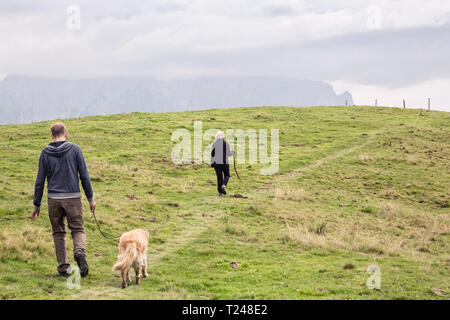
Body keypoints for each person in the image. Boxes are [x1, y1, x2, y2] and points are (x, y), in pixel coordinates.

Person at [31, 122, 96, 278]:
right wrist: (91, 199)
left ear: (52, 136)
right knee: (78, 229)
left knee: (58, 233)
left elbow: (40, 181)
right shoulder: (75, 149)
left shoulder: (45, 153)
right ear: (65, 133)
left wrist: (36, 204)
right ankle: (79, 252)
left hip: (53, 199)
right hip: (73, 197)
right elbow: (85, 176)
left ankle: (64, 267)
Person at [210, 131, 234, 196]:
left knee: (219, 177)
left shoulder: (214, 144)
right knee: (227, 175)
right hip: (224, 162)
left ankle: (220, 192)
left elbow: (212, 154)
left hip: (216, 163)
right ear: (223, 136)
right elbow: (228, 154)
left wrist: (212, 163)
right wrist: (232, 152)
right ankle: (224, 185)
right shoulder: (226, 144)